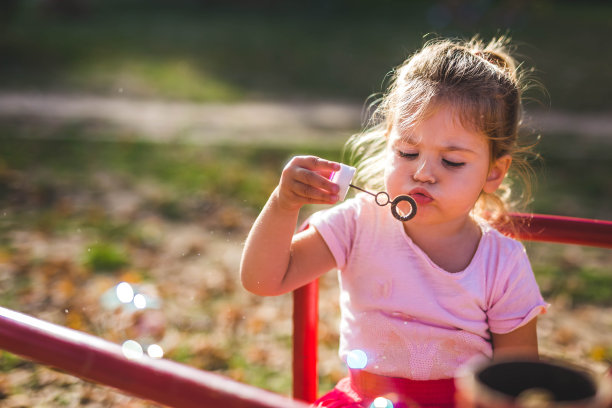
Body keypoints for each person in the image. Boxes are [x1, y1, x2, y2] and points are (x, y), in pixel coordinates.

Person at [240, 36, 548, 408]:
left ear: (494, 173)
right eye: (407, 152)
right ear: (388, 143)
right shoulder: (358, 224)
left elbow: (516, 381)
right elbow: (262, 280)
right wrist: (283, 203)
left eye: (451, 161)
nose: (423, 173)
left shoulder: (502, 263)